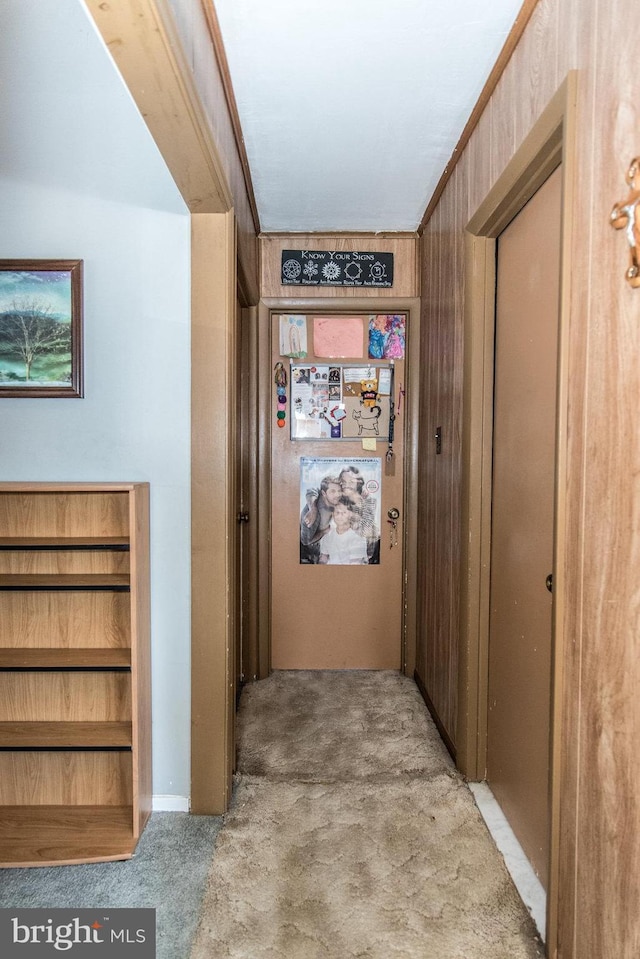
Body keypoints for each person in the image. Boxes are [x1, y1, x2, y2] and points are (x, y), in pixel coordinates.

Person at [338, 466, 380, 564]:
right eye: (343, 482)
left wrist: (359, 503)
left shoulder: (369, 501)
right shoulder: (339, 500)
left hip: (365, 556)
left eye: (351, 481)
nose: (346, 485)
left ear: (359, 483)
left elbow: (364, 531)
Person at [299, 475, 342, 563]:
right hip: (308, 550)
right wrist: (323, 532)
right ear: (324, 493)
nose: (337, 494)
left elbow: (312, 490)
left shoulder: (334, 500)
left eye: (339, 491)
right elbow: (305, 541)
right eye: (333, 491)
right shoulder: (311, 517)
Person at [318, 498, 368, 565]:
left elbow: (356, 564)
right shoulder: (327, 536)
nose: (340, 516)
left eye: (344, 512)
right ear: (333, 514)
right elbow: (323, 559)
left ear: (350, 514)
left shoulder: (358, 538)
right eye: (337, 512)